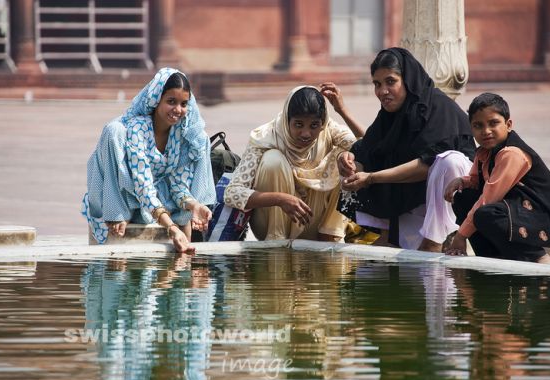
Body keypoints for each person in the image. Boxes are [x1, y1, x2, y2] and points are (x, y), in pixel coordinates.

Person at [320, 47, 476, 251]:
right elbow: (368, 150)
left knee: (449, 161)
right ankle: (388, 234)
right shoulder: (390, 115)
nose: (382, 91)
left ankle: (435, 240)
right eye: (377, 84)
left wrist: (371, 177)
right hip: (413, 206)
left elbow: (426, 164)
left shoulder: (439, 108)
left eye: (390, 81)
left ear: (408, 79)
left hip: (455, 204)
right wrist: (349, 162)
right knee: (360, 159)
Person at [81, 68, 216, 253]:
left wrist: (194, 205)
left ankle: (186, 247)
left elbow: (178, 186)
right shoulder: (138, 128)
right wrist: (171, 228)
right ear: (156, 100)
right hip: (128, 192)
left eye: (184, 104)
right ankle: (118, 214)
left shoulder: (181, 133)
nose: (178, 110)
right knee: (113, 130)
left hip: (162, 197)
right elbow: (142, 185)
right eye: (171, 102)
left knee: (201, 139)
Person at [444, 92, 550, 265]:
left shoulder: (511, 153)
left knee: (486, 213)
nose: (486, 131)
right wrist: (462, 181)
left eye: (493, 123)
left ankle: (538, 256)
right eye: (478, 125)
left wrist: (461, 235)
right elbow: (476, 181)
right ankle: (491, 255)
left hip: (544, 228)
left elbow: (488, 199)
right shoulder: (484, 152)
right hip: (518, 216)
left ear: (508, 124)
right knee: (463, 197)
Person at [224, 86, 362, 241]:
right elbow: (232, 194)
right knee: (273, 160)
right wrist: (280, 199)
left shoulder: (329, 129)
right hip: (270, 224)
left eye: (314, 125)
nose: (306, 133)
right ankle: (276, 238)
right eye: (298, 124)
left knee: (346, 157)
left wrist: (342, 110)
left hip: (312, 222)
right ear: (286, 119)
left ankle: (330, 235)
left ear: (322, 123)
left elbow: (368, 147)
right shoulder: (266, 136)